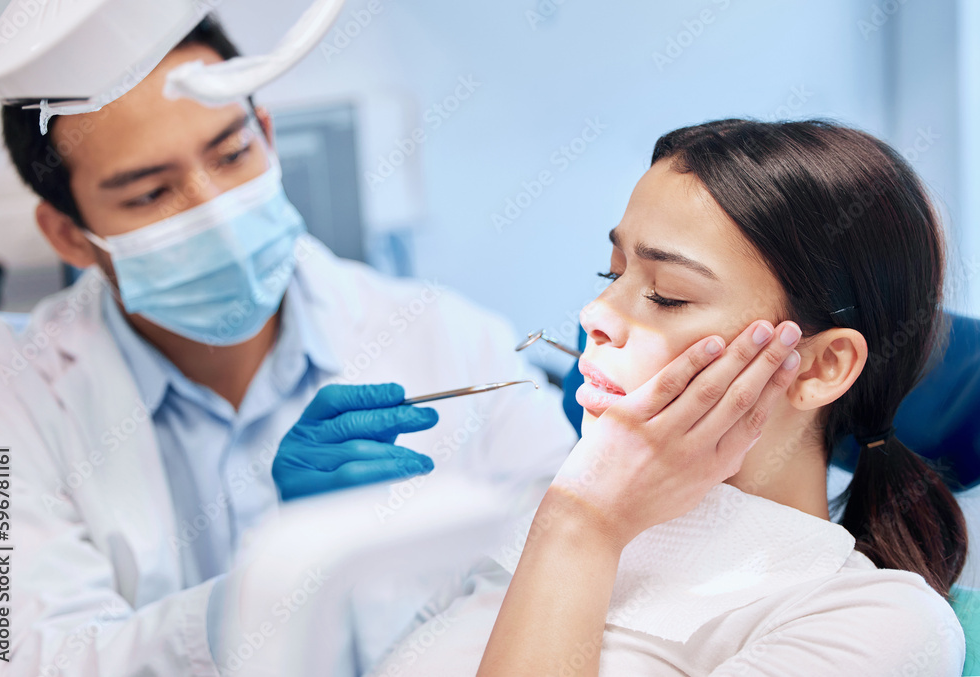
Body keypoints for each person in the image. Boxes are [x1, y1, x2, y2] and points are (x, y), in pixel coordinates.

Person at [0, 16, 576, 676]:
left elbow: (565, 579)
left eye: (232, 154)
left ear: (266, 133)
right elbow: (26, 654)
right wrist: (278, 581)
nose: (215, 212)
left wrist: (603, 462)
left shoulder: (451, 339)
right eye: (151, 192)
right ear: (68, 234)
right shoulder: (3, 400)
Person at [375, 119, 968, 676]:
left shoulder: (876, 625)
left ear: (819, 367)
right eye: (613, 275)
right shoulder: (537, 513)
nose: (595, 314)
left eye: (667, 295)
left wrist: (583, 527)